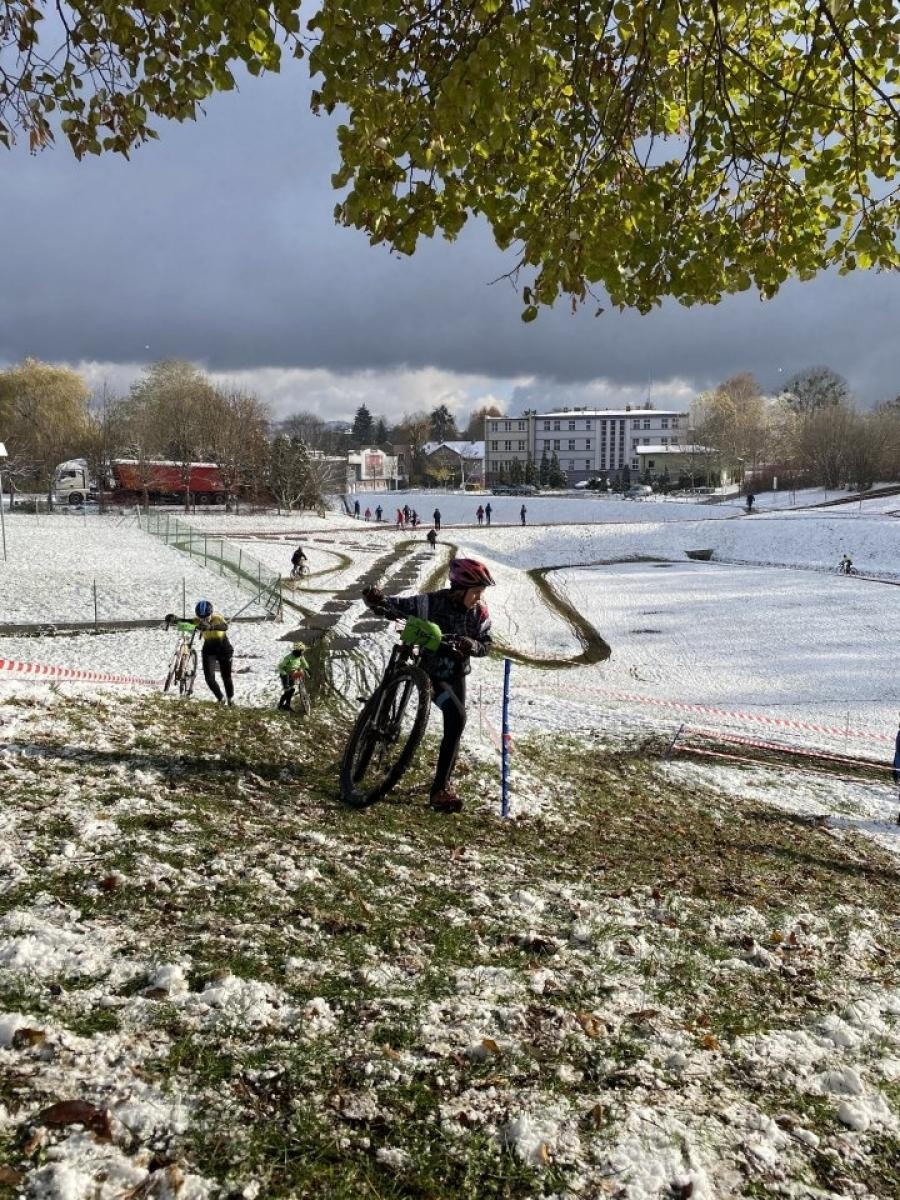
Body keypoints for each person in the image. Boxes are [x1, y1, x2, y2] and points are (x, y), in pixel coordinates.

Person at [362, 557, 494, 813]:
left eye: (481, 593)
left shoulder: (480, 614)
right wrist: (378, 600)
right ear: (459, 589)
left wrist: (472, 645)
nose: (478, 597)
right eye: (475, 592)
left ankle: (441, 787)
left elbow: (487, 643)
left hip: (456, 676)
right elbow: (400, 606)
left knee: (455, 724)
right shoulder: (432, 602)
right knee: (457, 716)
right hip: (430, 673)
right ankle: (440, 790)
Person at [166, 600, 235, 705]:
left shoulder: (217, 618)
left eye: (206, 617)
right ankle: (221, 699)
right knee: (209, 678)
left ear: (211, 613)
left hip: (224, 649)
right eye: (201, 618)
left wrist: (211, 627)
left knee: (226, 677)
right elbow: (186, 621)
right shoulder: (198, 621)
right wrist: (174, 619)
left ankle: (230, 699)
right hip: (209, 650)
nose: (203, 620)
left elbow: (225, 626)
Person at [277, 642, 310, 710]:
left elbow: (304, 663)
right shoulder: (289, 657)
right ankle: (280, 706)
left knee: (292, 690)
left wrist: (307, 669)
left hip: (293, 674)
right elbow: (280, 667)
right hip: (285, 675)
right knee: (288, 690)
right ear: (298, 650)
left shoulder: (300, 656)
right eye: (302, 650)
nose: (303, 652)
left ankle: (287, 705)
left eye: (303, 651)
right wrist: (285, 676)